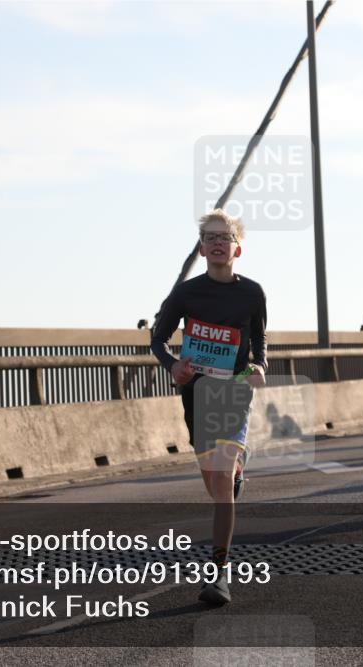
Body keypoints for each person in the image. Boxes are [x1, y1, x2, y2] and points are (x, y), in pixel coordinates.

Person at [150, 209, 267, 604]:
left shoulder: (252, 293)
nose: (218, 242)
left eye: (225, 236)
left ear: (238, 248)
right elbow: (158, 339)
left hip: (233, 391)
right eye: (210, 237)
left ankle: (219, 574)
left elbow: (260, 339)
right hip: (196, 394)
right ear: (202, 249)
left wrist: (259, 363)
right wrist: (174, 365)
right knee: (214, 484)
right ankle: (234, 473)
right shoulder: (186, 293)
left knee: (219, 485)